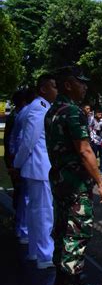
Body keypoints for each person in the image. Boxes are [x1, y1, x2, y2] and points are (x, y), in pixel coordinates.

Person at [45, 66, 102, 285]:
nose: (85, 87)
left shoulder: (53, 110)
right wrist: (101, 184)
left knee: (62, 231)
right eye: (80, 82)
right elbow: (84, 150)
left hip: (60, 182)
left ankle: (61, 282)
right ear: (68, 85)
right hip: (76, 185)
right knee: (78, 234)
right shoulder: (73, 112)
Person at [14, 74, 57, 269]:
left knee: (35, 212)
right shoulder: (39, 109)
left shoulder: (38, 107)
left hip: (37, 169)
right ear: (43, 90)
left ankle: (34, 251)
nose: (57, 91)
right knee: (43, 213)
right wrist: (17, 163)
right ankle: (45, 255)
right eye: (53, 87)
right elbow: (28, 142)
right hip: (40, 168)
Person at [5, 89, 33, 244]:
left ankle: (20, 226)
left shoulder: (18, 115)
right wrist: (13, 165)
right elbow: (16, 141)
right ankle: (22, 227)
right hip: (19, 161)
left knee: (22, 194)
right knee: (23, 195)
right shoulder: (19, 116)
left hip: (17, 161)